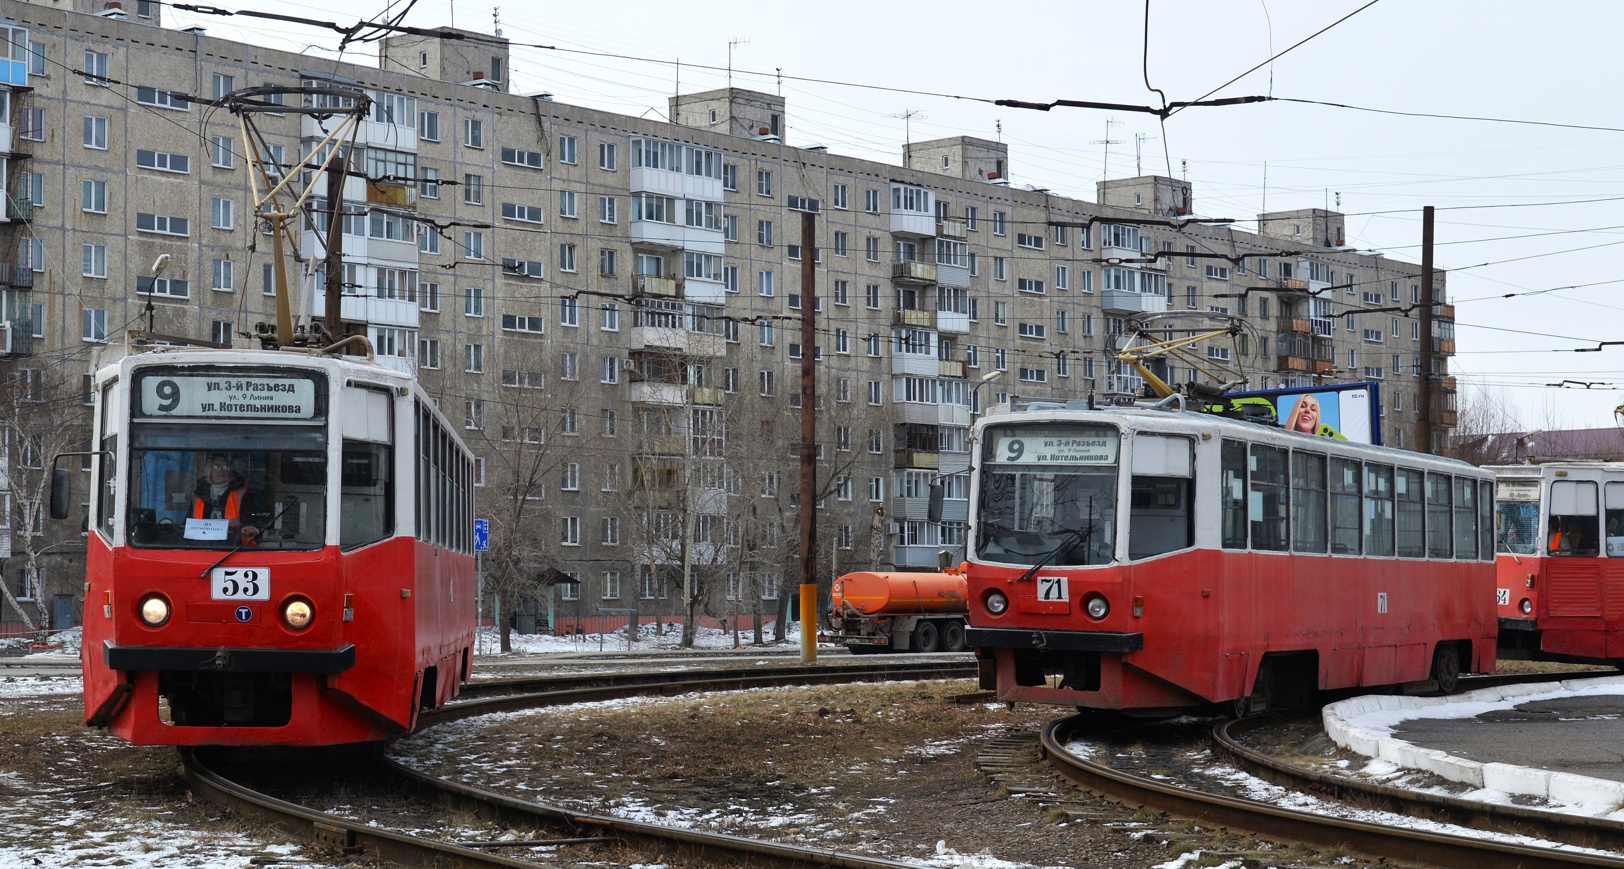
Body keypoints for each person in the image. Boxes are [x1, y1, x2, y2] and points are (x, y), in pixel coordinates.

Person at [192, 453, 260, 543]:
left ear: (230, 471)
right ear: (209, 471)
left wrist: (249, 527)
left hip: (234, 544)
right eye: (217, 467)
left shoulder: (243, 493)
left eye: (226, 468)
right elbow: (189, 522)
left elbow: (252, 518)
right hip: (200, 544)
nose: (222, 471)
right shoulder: (198, 494)